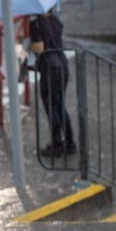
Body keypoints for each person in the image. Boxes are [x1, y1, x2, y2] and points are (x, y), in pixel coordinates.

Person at [29, 9, 75, 157]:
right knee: (60, 105)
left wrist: (30, 43)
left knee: (51, 107)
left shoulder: (36, 24)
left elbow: (39, 49)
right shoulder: (55, 20)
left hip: (49, 69)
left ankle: (57, 145)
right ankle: (69, 143)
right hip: (62, 66)